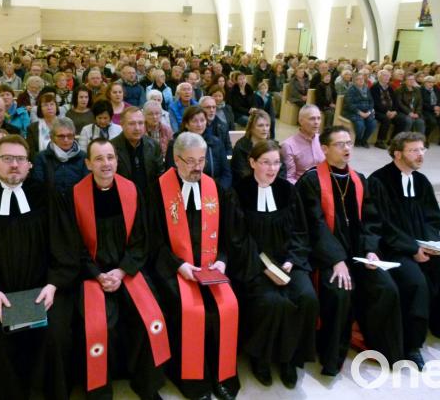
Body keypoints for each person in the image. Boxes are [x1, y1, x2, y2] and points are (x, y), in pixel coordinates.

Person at [0, 135, 78, 400]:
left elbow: (65, 246)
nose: (14, 165)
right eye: (7, 159)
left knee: (55, 335)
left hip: (44, 290)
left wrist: (53, 285)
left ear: (29, 165)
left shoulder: (47, 195)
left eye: (20, 159)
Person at [64, 139, 169, 400]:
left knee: (150, 318)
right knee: (100, 327)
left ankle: (146, 384)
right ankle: (100, 390)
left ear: (116, 160)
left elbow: (141, 239)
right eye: (98, 158)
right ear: (88, 164)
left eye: (110, 157)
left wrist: (122, 272)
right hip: (92, 274)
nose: (106, 164)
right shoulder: (74, 196)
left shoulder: (131, 191)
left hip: (127, 270)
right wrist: (98, 274)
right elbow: (72, 245)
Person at [295, 126, 404, 376]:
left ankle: (384, 350)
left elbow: (371, 221)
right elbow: (314, 225)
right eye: (340, 144)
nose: (347, 148)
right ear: (324, 149)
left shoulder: (359, 180)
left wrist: (370, 251)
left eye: (349, 143)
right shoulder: (311, 181)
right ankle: (332, 358)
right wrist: (335, 259)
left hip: (358, 253)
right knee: (340, 290)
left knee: (387, 288)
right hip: (325, 255)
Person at [147, 132, 242, 400]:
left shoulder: (216, 189)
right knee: (187, 309)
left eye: (201, 160)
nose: (197, 167)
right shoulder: (157, 190)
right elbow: (154, 240)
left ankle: (221, 374)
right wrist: (179, 266)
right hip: (174, 270)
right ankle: (192, 378)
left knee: (223, 308)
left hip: (212, 268)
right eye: (190, 161)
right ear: (175, 159)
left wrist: (222, 260)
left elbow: (228, 234)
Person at [232, 140, 318, 388]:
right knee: (272, 302)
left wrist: (291, 260)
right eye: (266, 162)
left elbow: (300, 232)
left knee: (307, 297)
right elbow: (238, 239)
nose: (272, 169)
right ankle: (261, 357)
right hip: (255, 264)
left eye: (276, 163)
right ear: (252, 163)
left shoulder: (288, 191)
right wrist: (265, 266)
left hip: (289, 262)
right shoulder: (239, 192)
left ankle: (289, 359)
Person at [368, 132, 440, 356]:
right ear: (397, 154)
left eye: (422, 149)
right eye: (414, 150)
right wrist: (412, 248)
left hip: (424, 247)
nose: (420, 155)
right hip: (394, 249)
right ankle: (412, 344)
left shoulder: (421, 181)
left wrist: (430, 244)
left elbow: (432, 219)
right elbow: (382, 225)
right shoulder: (379, 181)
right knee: (415, 282)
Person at [165, 106, 232, 190]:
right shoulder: (176, 144)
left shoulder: (216, 143)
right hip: (184, 189)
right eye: (194, 121)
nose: (199, 124)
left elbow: (226, 173)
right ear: (186, 124)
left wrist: (218, 190)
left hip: (213, 190)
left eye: (202, 120)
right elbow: (171, 173)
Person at [111, 107, 165, 193]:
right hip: (123, 196)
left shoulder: (153, 145)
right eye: (132, 124)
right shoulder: (111, 147)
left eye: (140, 123)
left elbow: (160, 175)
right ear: (122, 124)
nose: (137, 128)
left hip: (149, 198)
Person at [31, 117, 88, 194]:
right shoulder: (41, 158)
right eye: (61, 136)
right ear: (52, 137)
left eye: (70, 136)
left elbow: (86, 187)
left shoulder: (83, 157)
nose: (66, 140)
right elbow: (38, 188)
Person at [231, 110, 285, 185]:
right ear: (251, 128)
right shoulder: (241, 147)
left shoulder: (274, 146)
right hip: (248, 187)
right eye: (260, 125)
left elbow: (282, 170)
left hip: (272, 186)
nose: (265, 129)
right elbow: (242, 174)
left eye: (267, 125)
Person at [281, 104, 325, 184]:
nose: (316, 122)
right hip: (302, 189)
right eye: (312, 118)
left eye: (319, 118)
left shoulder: (323, 140)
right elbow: (289, 178)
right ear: (301, 121)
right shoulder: (288, 145)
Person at [371, 70, 410, 149]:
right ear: (379, 77)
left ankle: (393, 140)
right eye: (385, 76)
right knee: (386, 119)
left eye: (388, 76)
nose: (387, 77)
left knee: (403, 119)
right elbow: (376, 103)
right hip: (378, 111)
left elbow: (395, 101)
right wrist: (386, 112)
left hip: (391, 111)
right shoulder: (374, 88)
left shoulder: (390, 88)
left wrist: (394, 111)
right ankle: (379, 141)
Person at [344, 73, 377, 148]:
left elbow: (371, 101)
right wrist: (360, 113)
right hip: (353, 112)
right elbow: (350, 104)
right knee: (360, 124)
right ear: (354, 81)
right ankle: (358, 140)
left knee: (372, 123)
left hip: (366, 111)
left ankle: (364, 140)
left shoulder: (367, 88)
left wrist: (369, 112)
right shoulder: (351, 90)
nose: (360, 80)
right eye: (358, 79)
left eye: (362, 79)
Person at [26, 92, 61, 160]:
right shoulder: (32, 128)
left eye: (52, 104)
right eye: (45, 105)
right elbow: (31, 153)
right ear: (40, 109)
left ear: (56, 107)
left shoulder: (65, 125)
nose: (49, 107)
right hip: (40, 164)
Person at [420, 76, 440, 148]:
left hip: (436, 109)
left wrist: (438, 107)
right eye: (429, 82)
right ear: (424, 83)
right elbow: (422, 103)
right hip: (426, 110)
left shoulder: (436, 89)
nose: (431, 84)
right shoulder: (421, 90)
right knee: (432, 122)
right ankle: (425, 139)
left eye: (433, 82)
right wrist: (433, 108)